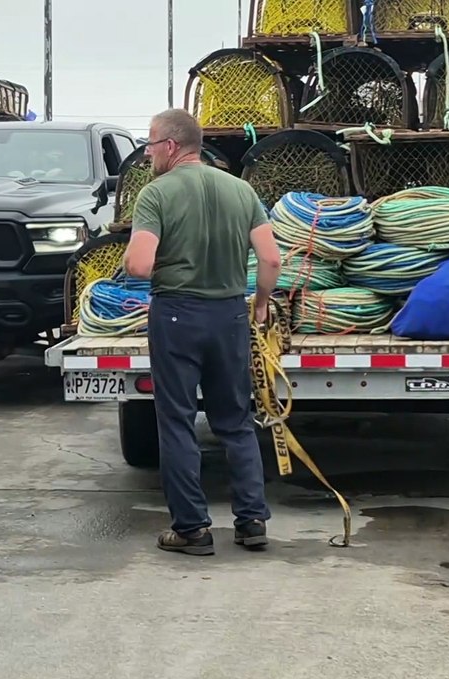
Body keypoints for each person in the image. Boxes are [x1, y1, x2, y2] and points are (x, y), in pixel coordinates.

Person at [121, 108, 282, 556]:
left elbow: (139, 264)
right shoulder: (241, 189)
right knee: (235, 421)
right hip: (230, 314)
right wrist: (262, 304)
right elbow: (271, 260)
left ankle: (192, 529)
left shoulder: (156, 194)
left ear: (171, 147)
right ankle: (252, 522)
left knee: (176, 422)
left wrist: (132, 266)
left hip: (177, 316)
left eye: (151, 144)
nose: (149, 153)